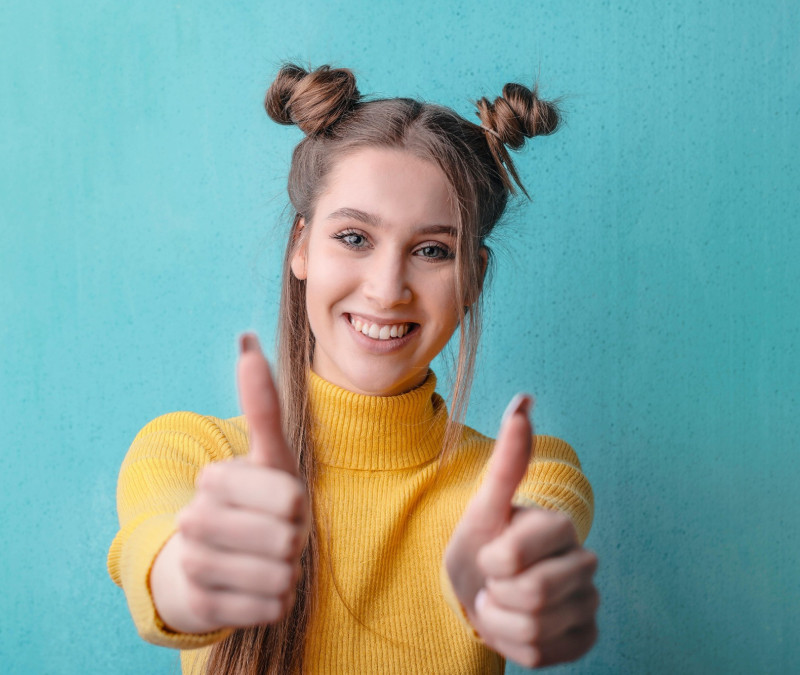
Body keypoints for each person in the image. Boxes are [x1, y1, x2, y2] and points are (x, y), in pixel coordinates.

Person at [107, 63, 598, 674]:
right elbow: (159, 559)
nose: (387, 289)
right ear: (301, 247)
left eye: (432, 251)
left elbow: (542, 516)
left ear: (473, 277)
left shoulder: (524, 473)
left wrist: (516, 571)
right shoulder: (189, 452)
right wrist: (191, 574)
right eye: (355, 238)